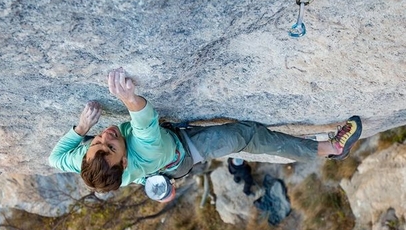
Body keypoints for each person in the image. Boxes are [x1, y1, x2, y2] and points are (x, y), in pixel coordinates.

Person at [49, 67, 363, 201]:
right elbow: (144, 121)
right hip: (183, 152)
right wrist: (128, 98)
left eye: (98, 141)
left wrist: (81, 130)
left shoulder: (89, 162)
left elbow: (56, 159)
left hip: (159, 159)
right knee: (245, 135)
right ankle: (330, 149)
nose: (105, 135)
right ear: (124, 162)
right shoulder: (145, 152)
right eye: (112, 144)